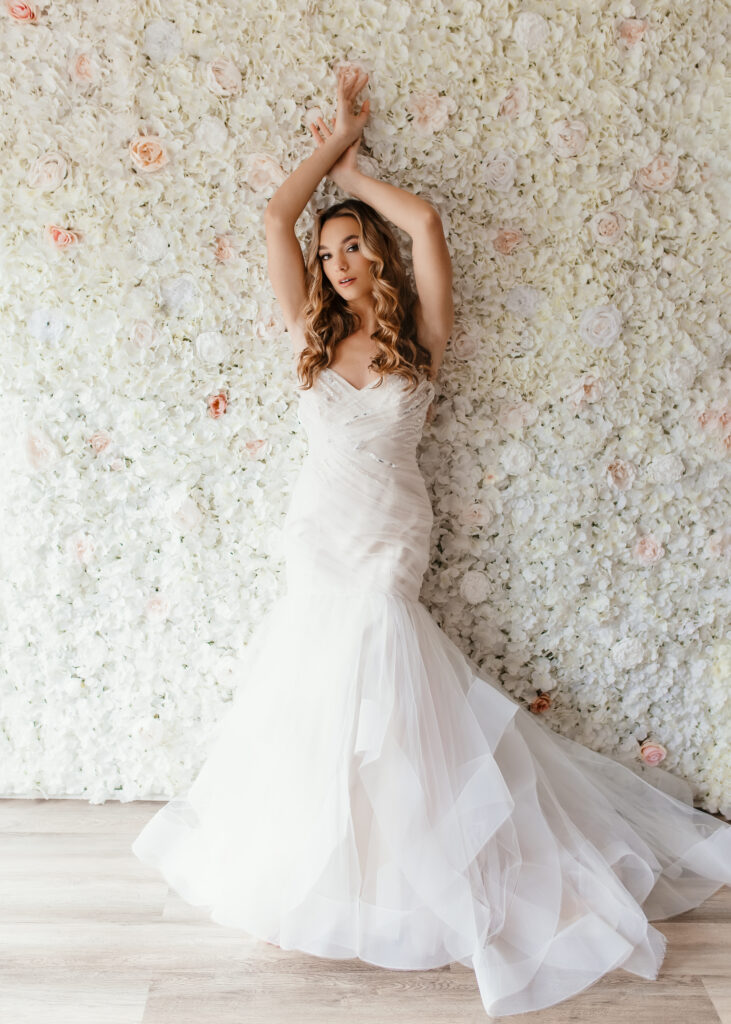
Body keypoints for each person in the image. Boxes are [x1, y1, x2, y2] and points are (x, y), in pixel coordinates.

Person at [131, 67, 731, 1019]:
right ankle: (337, 867)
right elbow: (273, 214)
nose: (333, 261)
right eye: (326, 250)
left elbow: (429, 228)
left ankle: (418, 863)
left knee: (384, 660)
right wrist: (331, 145)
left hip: (390, 533)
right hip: (318, 531)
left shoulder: (421, 335)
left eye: (349, 247)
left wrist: (362, 174)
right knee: (319, 685)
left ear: (375, 256)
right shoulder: (307, 334)